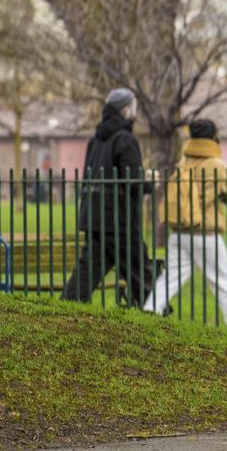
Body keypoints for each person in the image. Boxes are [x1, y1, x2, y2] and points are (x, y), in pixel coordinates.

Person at [144, 119, 227, 328]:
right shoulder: (217, 165)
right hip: (205, 234)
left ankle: (150, 310)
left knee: (171, 277)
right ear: (213, 138)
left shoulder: (183, 162)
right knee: (222, 280)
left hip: (178, 233)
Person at [62, 88, 154, 307]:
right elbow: (133, 182)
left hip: (94, 216)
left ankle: (68, 304)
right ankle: (157, 308)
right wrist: (150, 183)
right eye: (134, 106)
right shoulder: (125, 140)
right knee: (140, 270)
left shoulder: (95, 140)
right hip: (119, 220)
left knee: (89, 268)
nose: (136, 111)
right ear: (125, 110)